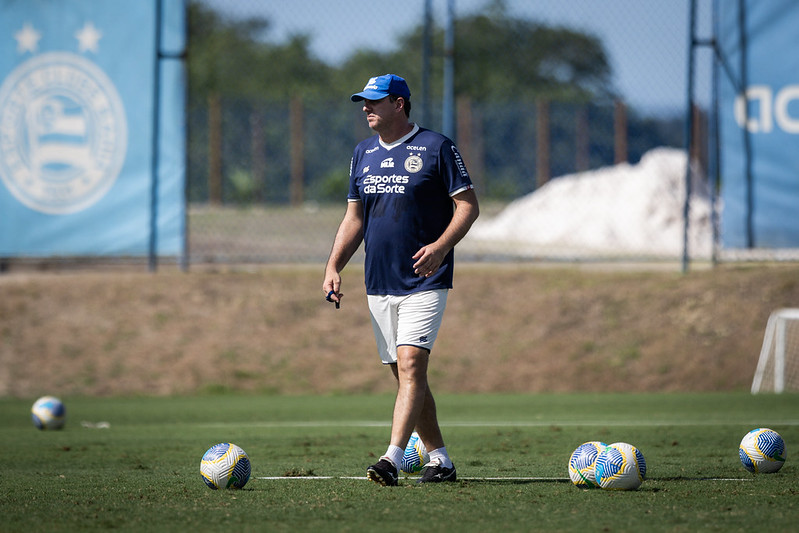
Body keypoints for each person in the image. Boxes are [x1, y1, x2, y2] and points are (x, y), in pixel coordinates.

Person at [322, 74, 479, 486]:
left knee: (412, 364)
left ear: (399, 103)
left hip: (425, 280)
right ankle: (440, 459)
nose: (365, 108)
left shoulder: (436, 147)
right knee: (407, 376)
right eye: (363, 101)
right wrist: (333, 266)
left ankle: (390, 459)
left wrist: (442, 247)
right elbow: (354, 218)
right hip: (378, 282)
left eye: (374, 101)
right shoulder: (362, 153)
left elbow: (467, 206)